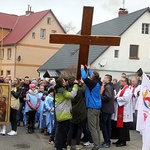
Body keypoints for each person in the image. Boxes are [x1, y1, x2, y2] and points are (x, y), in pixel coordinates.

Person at [80, 64, 102, 150]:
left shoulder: (92, 83)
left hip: (92, 108)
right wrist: (89, 69)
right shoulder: (98, 82)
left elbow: (84, 78)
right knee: (97, 127)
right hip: (97, 107)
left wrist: (82, 69)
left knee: (92, 128)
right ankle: (98, 143)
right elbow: (93, 75)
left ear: (93, 76)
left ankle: (96, 146)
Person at [54, 76, 78, 150]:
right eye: (65, 80)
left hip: (62, 112)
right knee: (62, 131)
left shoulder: (59, 88)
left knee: (61, 130)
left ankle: (60, 144)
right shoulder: (61, 90)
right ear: (62, 82)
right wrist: (76, 85)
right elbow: (71, 95)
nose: (66, 81)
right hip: (63, 113)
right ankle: (59, 146)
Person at [111, 76, 133, 147]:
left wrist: (116, 98)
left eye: (122, 81)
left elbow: (125, 99)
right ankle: (119, 139)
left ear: (126, 82)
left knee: (124, 126)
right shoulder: (121, 89)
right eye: (120, 80)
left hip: (124, 111)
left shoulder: (128, 90)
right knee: (119, 126)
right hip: (120, 109)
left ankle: (123, 141)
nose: (120, 82)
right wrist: (116, 97)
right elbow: (118, 96)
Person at [66, 77, 87, 150]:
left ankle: (68, 144)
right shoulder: (80, 90)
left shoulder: (69, 90)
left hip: (72, 111)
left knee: (71, 128)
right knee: (79, 128)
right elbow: (85, 88)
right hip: (81, 111)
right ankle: (77, 144)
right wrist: (83, 83)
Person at [100, 74, 115, 148]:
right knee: (108, 125)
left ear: (108, 79)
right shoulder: (110, 86)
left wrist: (101, 97)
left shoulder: (108, 87)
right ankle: (107, 140)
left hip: (106, 108)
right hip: (109, 108)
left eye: (105, 78)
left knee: (104, 125)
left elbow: (108, 96)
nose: (103, 79)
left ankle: (106, 141)